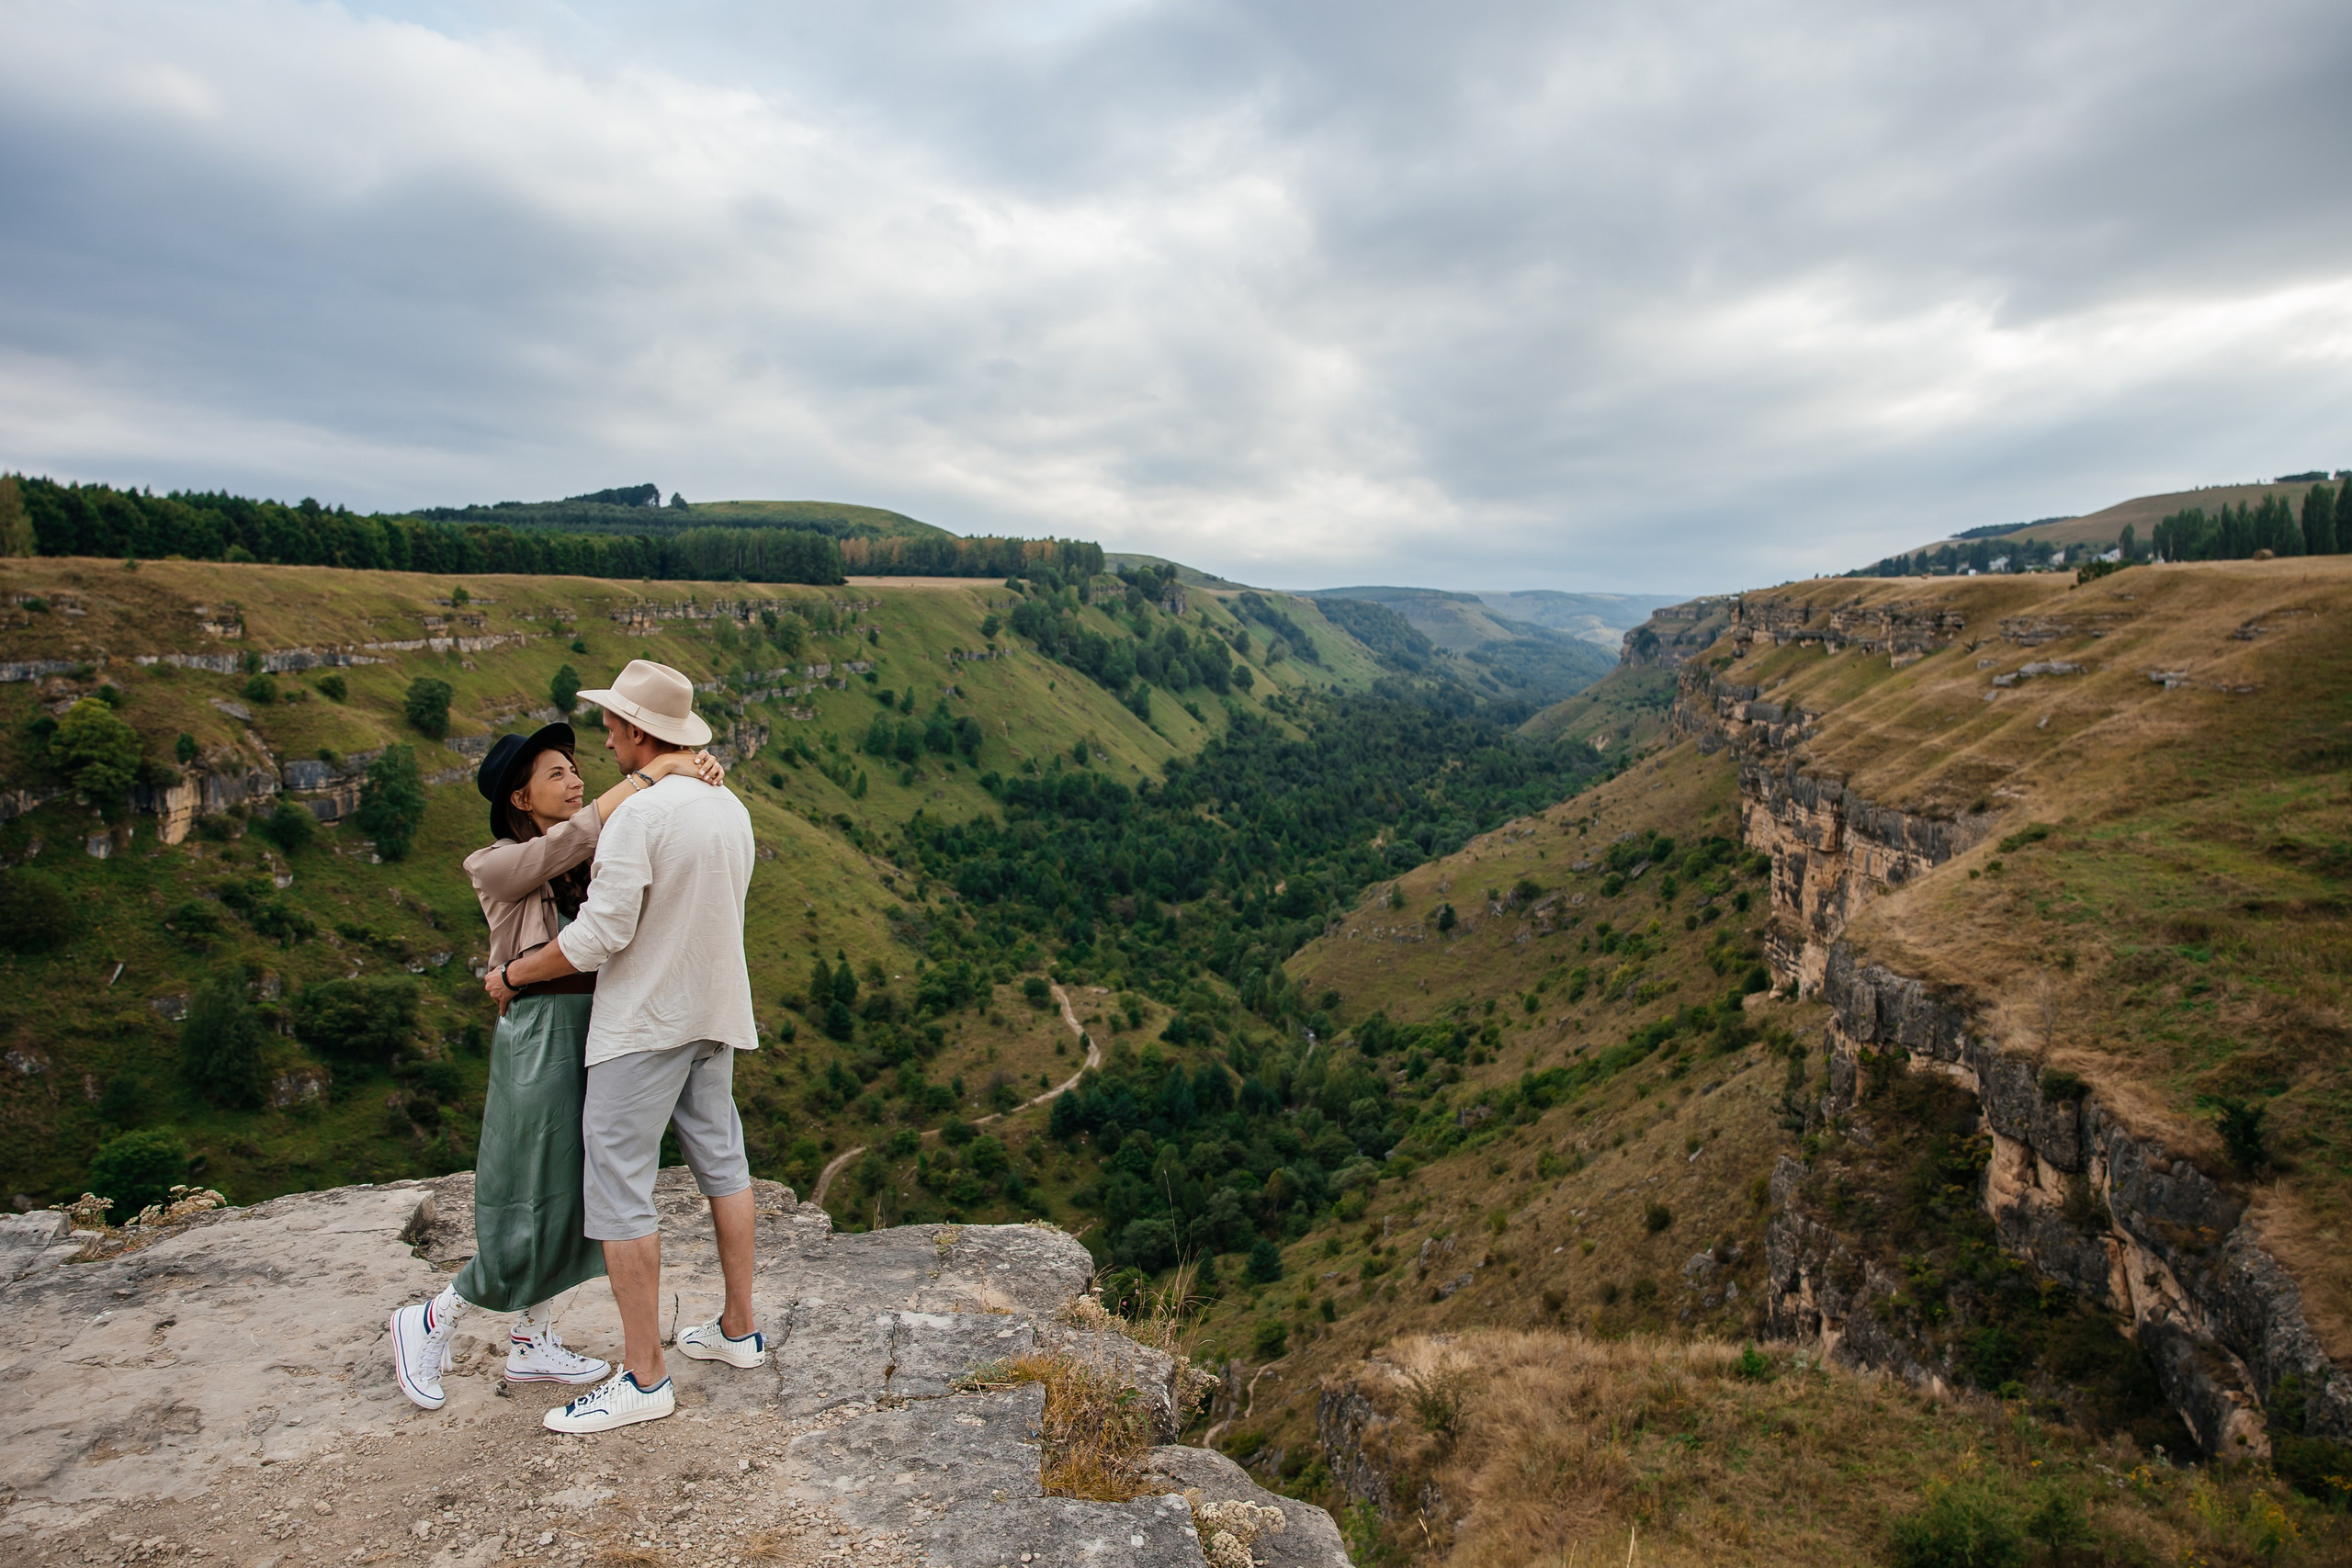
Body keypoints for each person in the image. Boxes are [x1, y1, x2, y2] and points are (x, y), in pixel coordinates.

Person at [387, 721, 724, 1412]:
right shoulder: (495, 863)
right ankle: (431, 1317)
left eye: (576, 768)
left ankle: (533, 1337)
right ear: (520, 796)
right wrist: (647, 776)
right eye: (557, 774)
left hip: (599, 1024)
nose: (574, 781)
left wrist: (695, 769)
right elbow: (575, 840)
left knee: (576, 1190)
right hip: (542, 1029)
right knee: (532, 1184)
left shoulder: (588, 851)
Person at [486, 660, 765, 1434]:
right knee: (724, 1164)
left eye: (610, 727)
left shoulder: (639, 818)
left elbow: (597, 938)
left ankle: (644, 1376)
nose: (604, 739)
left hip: (643, 1022)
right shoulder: (728, 805)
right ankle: (740, 1330)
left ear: (638, 731)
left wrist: (513, 972)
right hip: (716, 1011)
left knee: (618, 1189)